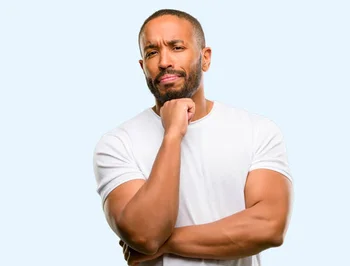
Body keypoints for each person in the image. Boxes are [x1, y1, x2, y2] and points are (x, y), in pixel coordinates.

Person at [92, 8, 293, 266]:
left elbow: (270, 226)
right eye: (152, 52)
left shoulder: (257, 130)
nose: (164, 61)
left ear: (205, 58)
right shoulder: (117, 143)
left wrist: (166, 243)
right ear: (143, 67)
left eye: (176, 47)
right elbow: (144, 234)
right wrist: (173, 134)